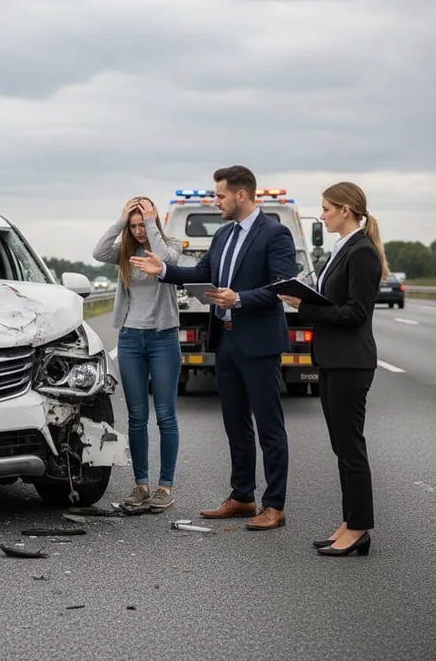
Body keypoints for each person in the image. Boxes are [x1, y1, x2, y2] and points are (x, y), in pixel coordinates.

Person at [130, 166, 297, 530]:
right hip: (226, 339)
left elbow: (283, 286)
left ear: (241, 195)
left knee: (269, 426)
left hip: (259, 342)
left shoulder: (276, 234)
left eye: (220, 195)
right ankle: (242, 496)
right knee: (235, 423)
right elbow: (198, 271)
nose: (215, 201)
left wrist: (240, 298)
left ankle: (274, 505)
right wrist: (163, 270)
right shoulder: (222, 235)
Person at [279, 182, 384, 557]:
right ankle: (349, 522)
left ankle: (358, 529)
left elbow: (357, 313)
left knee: (351, 448)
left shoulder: (363, 252)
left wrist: (303, 307)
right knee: (342, 447)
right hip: (333, 359)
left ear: (345, 209)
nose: (321, 215)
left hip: (351, 361)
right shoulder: (343, 248)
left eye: (325, 208)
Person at [93, 197, 184, 510]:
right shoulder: (124, 252)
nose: (139, 230)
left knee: (166, 415)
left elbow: (164, 260)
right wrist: (121, 221)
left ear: (153, 221)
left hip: (163, 339)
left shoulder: (170, 245)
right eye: (133, 226)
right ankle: (141, 485)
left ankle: (165, 488)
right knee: (136, 417)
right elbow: (97, 251)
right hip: (131, 339)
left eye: (142, 224)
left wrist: (150, 224)